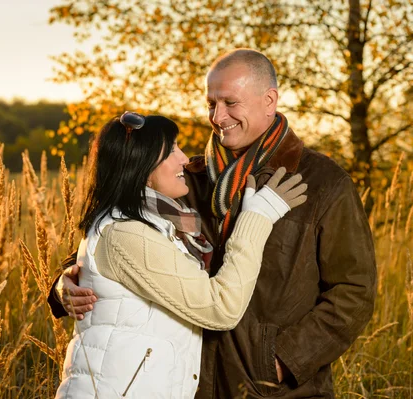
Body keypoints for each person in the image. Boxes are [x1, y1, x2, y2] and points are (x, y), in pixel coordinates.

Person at [50, 49, 377, 398]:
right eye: (211, 104)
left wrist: (283, 360)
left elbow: (354, 291)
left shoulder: (321, 183)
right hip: (192, 384)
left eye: (230, 103)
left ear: (269, 100)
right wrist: (66, 285)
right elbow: (118, 243)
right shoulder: (185, 180)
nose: (217, 117)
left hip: (277, 390)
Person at [55, 112, 307, 398]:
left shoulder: (161, 219)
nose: (184, 159)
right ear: (142, 165)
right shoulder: (126, 232)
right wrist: (257, 218)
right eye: (172, 150)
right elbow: (221, 308)